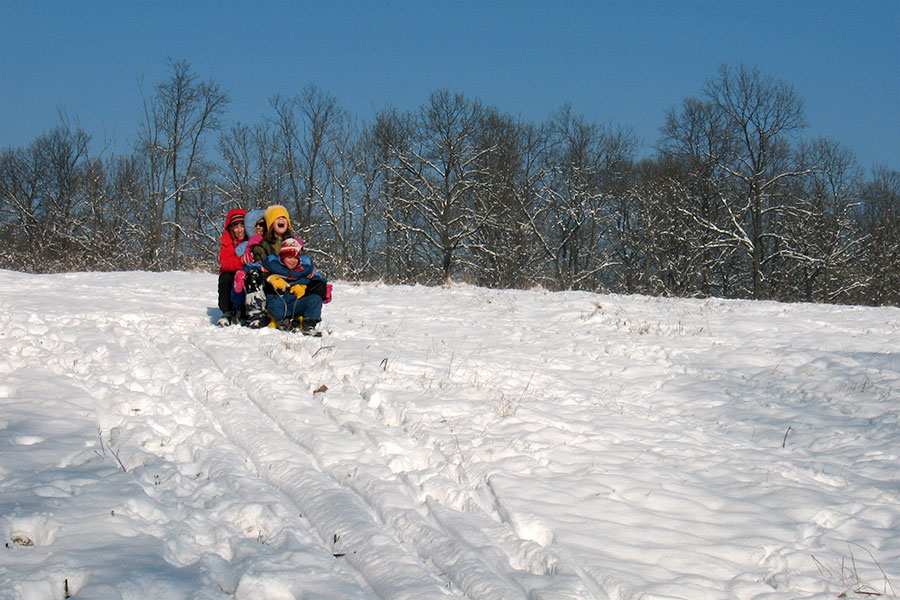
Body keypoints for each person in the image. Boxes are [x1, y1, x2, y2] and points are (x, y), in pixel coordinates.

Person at [241, 205, 294, 328]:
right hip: (270, 282)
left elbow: (304, 264)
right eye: (277, 218)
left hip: (290, 279)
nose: (281, 220)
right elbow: (259, 264)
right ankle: (257, 314)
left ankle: (303, 318)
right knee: (252, 275)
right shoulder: (262, 244)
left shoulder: (294, 243)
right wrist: (270, 277)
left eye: (283, 217)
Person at [263, 237, 323, 333]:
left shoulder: (303, 270)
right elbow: (256, 269)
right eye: (289, 257)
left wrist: (305, 287)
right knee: (275, 304)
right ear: (282, 258)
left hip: (296, 302)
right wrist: (271, 279)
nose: (292, 261)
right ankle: (283, 322)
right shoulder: (274, 266)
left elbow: (315, 278)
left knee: (315, 299)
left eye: (295, 258)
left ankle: (309, 325)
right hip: (280, 298)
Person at [216, 208, 247, 327]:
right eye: (236, 227)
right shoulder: (227, 243)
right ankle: (227, 311)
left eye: (242, 226)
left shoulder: (251, 241)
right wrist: (241, 261)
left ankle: (244, 310)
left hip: (244, 273)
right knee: (226, 278)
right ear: (231, 229)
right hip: (230, 273)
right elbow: (225, 262)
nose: (240, 230)